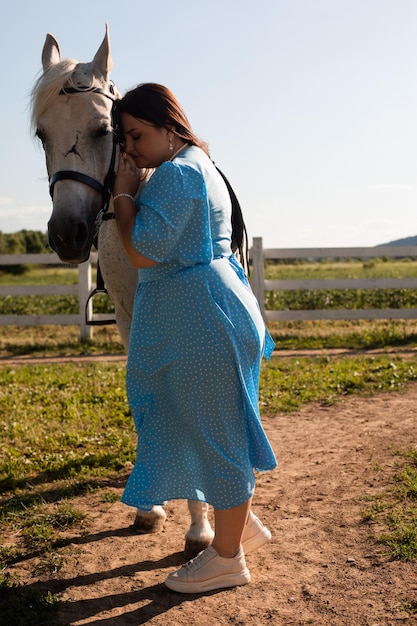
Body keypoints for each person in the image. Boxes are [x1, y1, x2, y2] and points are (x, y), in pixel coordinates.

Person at [112, 83, 277, 593]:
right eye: (124, 140)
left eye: (137, 135)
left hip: (203, 318)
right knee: (203, 424)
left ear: (168, 126)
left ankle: (226, 558)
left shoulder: (177, 174)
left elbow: (142, 251)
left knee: (218, 435)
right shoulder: (194, 165)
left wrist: (122, 193)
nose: (132, 149)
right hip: (205, 313)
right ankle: (239, 524)